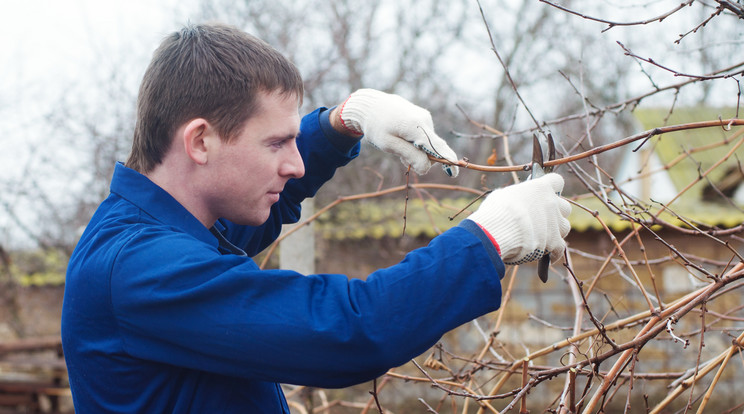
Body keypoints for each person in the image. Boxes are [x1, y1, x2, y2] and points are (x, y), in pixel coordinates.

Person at [61, 23, 571, 413]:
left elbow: (263, 209)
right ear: (200, 142)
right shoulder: (139, 270)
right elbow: (348, 331)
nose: (295, 163)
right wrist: (489, 236)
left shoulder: (162, 229)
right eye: (276, 143)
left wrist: (342, 121)